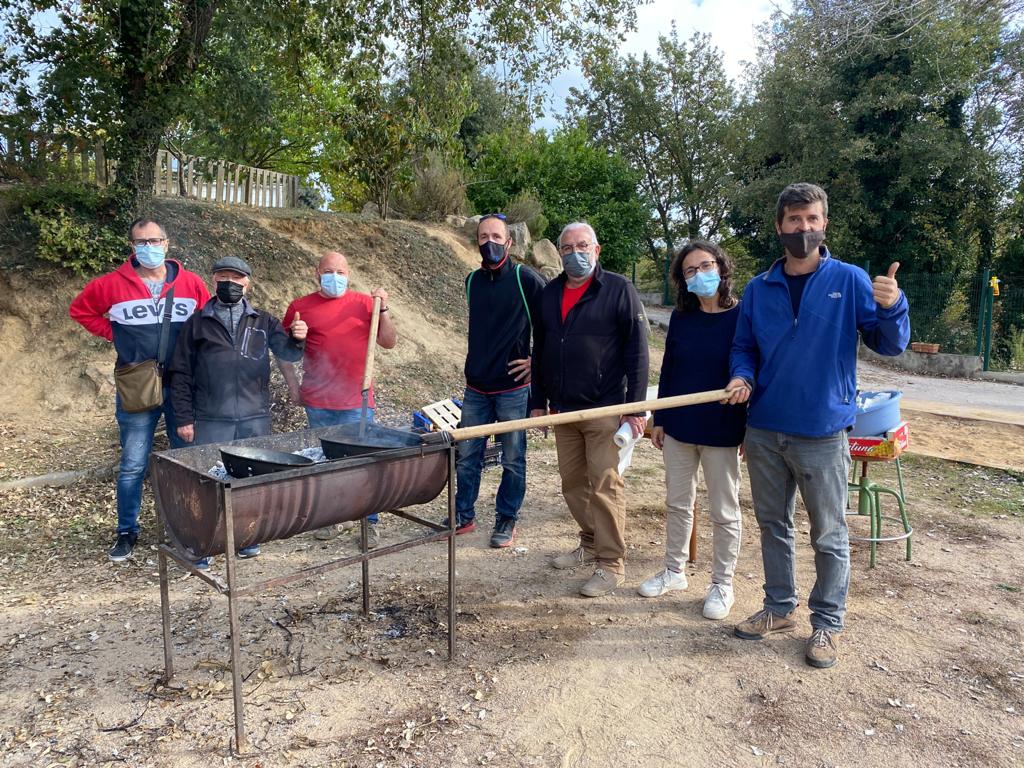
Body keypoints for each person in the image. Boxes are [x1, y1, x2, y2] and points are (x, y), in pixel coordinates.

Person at [727, 182, 909, 668]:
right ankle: (779, 607)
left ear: (824, 223)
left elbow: (889, 344)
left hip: (823, 432)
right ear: (779, 226)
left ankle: (827, 623)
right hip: (764, 429)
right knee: (773, 525)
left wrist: (893, 306)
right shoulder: (758, 288)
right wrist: (742, 376)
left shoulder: (849, 280)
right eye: (794, 220)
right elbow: (744, 347)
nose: (802, 228)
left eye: (811, 219)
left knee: (828, 533)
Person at [70, 218, 210, 562]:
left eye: (154, 240)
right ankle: (127, 531)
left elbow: (206, 322)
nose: (148, 247)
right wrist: (117, 334)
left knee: (186, 459)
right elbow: (80, 311)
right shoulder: (110, 285)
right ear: (131, 246)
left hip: (181, 384)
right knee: (133, 463)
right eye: (141, 242)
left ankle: (187, 527)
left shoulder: (191, 283)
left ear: (167, 243)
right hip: (137, 383)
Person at [530, 221, 649, 597]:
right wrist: (538, 403)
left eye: (582, 246)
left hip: (604, 407)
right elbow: (540, 350)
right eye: (567, 248)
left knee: (604, 485)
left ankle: (611, 563)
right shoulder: (549, 294)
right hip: (564, 410)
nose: (574, 253)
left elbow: (637, 351)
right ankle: (590, 541)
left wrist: (635, 409)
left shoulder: (617, 288)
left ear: (596, 250)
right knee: (572, 485)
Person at [169, 256, 307, 562]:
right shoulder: (197, 323)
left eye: (236, 278)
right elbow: (180, 373)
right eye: (223, 277)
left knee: (251, 479)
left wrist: (298, 339)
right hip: (210, 417)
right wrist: (184, 417)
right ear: (213, 281)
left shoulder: (263, 321)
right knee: (208, 481)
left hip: (254, 416)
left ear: (248, 283)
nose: (229, 283)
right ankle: (204, 544)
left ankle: (246, 536)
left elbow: (287, 354)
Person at [641, 241, 746, 621]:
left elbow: (752, 369)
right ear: (682, 280)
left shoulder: (743, 316)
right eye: (690, 270)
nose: (699, 274)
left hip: (723, 428)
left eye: (705, 266)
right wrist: (659, 418)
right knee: (678, 503)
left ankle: (722, 584)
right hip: (680, 426)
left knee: (724, 510)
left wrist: (749, 426)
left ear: (721, 267)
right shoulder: (682, 318)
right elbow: (669, 369)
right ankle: (674, 571)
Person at [280, 250, 396, 547]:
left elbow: (388, 342)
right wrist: (293, 386)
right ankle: (335, 518)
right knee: (326, 463)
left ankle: (369, 522)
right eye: (329, 271)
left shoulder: (365, 303)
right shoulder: (300, 307)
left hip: (357, 400)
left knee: (365, 462)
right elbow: (283, 351)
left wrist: (382, 309)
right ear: (317, 274)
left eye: (341, 272)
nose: (335, 277)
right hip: (318, 402)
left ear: (349, 275)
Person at [454, 213, 545, 548]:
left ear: (509, 242)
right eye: (483, 237)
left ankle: (507, 518)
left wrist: (537, 361)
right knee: (467, 457)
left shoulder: (526, 278)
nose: (489, 242)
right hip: (476, 388)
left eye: (496, 236)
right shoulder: (471, 282)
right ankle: (463, 515)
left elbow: (552, 322)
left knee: (513, 459)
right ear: (476, 242)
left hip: (513, 389)